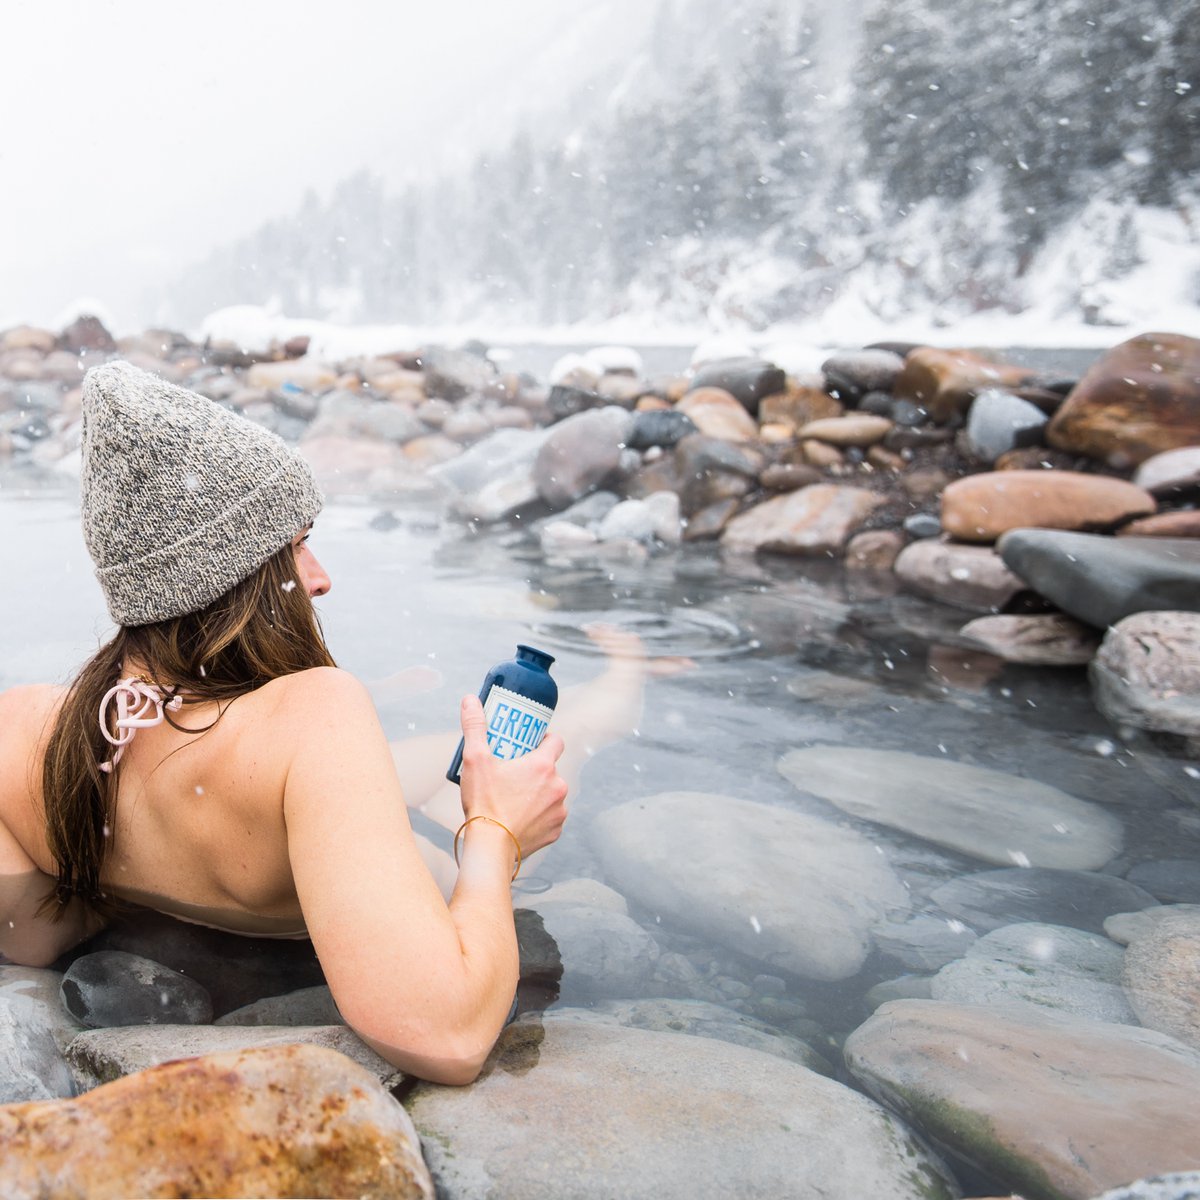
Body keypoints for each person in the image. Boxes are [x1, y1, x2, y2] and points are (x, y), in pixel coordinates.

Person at [0, 361, 583, 1086]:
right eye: (298, 544)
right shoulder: (315, 715)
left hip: (265, 815)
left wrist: (132, 896)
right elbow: (446, 1036)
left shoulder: (21, 729)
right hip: (396, 870)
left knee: (407, 774)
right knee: (518, 781)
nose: (320, 577)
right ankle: (609, 703)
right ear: (232, 573)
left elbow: (33, 936)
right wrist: (497, 835)